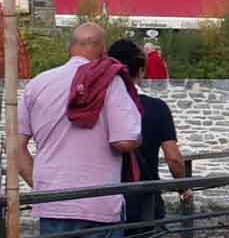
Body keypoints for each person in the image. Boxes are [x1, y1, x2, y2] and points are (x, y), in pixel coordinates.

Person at [17, 23, 142, 237]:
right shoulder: (110, 82)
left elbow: (15, 147)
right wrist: (138, 136)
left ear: (70, 47)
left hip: (52, 203)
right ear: (103, 50)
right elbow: (124, 141)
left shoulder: (37, 84)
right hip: (99, 204)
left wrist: (41, 186)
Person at [107, 40, 192, 235]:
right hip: (145, 200)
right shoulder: (156, 108)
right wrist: (183, 188)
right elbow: (173, 158)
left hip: (105, 202)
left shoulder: (100, 106)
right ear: (142, 71)